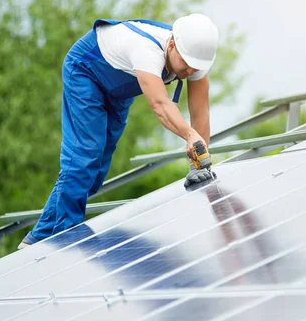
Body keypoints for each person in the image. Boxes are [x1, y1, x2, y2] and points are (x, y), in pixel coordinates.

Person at [18, 14, 218, 249]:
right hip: (86, 72)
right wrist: (189, 135)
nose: (189, 71)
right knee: (85, 158)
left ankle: (36, 239)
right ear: (172, 45)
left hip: (118, 90)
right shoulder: (147, 49)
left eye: (196, 67)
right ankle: (64, 241)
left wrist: (198, 164)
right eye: (186, 64)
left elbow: (200, 112)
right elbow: (161, 105)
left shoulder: (192, 58)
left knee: (96, 171)